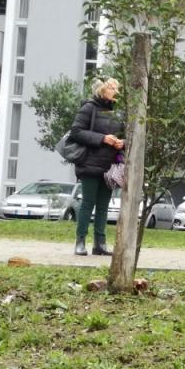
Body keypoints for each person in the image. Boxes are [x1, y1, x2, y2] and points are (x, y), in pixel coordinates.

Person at [68, 76, 126, 257]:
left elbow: (127, 134)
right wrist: (102, 138)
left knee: (103, 205)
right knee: (87, 203)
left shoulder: (119, 112)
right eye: (112, 88)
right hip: (90, 163)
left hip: (110, 166)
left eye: (117, 88)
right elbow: (76, 131)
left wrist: (122, 142)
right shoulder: (89, 107)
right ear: (102, 90)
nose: (116, 92)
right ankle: (80, 242)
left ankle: (100, 244)